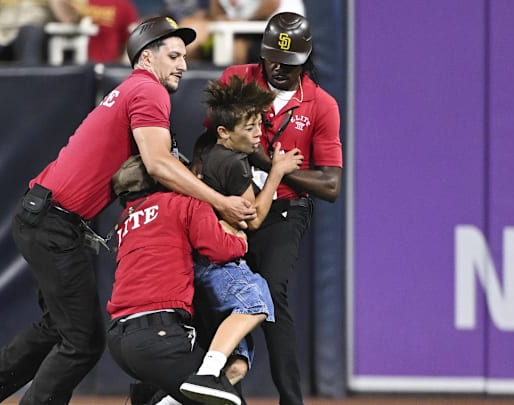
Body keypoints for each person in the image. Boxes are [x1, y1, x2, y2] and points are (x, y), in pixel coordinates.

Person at [0, 15, 255, 405]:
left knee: (62, 328)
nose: (183, 65)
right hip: (52, 221)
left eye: (184, 57)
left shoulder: (132, 90)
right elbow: (158, 164)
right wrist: (221, 201)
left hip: (44, 216)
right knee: (82, 340)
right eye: (174, 55)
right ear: (146, 57)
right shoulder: (148, 91)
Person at [210, 12, 343, 405]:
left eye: (288, 64)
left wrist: (272, 167)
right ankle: (217, 386)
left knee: (269, 290)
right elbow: (209, 139)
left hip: (285, 210)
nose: (278, 69)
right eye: (271, 59)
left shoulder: (321, 104)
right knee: (211, 288)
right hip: (230, 201)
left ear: (305, 60)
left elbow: (331, 185)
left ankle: (291, 399)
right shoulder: (237, 78)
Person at [179, 75, 303, 405]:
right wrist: (277, 170)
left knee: (237, 366)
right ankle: (204, 373)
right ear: (224, 132)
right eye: (248, 129)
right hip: (219, 265)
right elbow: (255, 218)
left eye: (258, 125)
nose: (257, 134)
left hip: (200, 264)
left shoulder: (209, 154)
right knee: (258, 302)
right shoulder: (234, 163)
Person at [107, 154, 248, 405]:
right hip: (160, 335)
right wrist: (240, 240)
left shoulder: (125, 221)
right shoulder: (183, 202)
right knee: (223, 399)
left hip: (120, 340)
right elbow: (221, 250)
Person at [180, 0, 305, 64]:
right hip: (238, 30)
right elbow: (217, 12)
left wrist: (242, 21)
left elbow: (271, 5)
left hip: (283, 36)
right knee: (192, 31)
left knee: (236, 48)